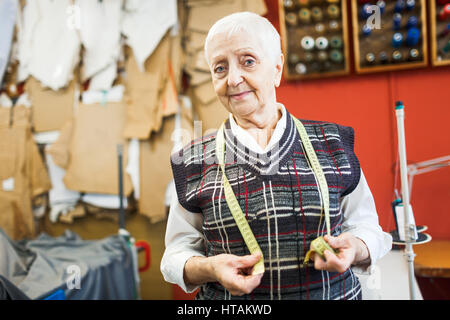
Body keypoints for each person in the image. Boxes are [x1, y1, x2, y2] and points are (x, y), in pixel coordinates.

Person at [161, 12, 392, 300]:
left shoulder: (333, 143)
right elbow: (174, 255)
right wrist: (208, 268)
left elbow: (368, 227)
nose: (233, 79)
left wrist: (356, 247)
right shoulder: (193, 160)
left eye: (248, 61)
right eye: (220, 68)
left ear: (277, 69)